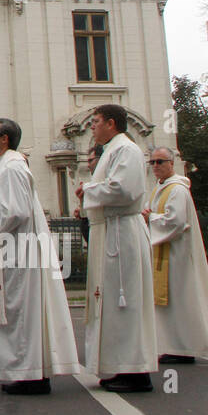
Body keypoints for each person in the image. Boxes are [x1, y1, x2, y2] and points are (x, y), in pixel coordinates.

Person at [0, 119, 80, 394]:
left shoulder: (11, 167)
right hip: (15, 247)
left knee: (20, 310)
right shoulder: (9, 165)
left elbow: (17, 211)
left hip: (17, 251)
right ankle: (31, 371)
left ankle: (28, 374)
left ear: (5, 138)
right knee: (19, 309)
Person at [74, 104, 156, 393]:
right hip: (110, 232)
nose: (92, 126)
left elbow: (124, 190)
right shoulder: (112, 150)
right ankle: (116, 366)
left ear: (111, 123)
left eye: (95, 121)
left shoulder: (127, 150)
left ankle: (135, 371)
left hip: (122, 234)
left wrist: (88, 190)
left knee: (126, 302)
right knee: (109, 302)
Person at [142, 147, 208, 363]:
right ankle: (172, 346)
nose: (155, 166)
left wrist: (150, 218)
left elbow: (176, 222)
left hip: (177, 256)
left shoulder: (177, 190)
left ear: (172, 163)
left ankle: (185, 348)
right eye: (152, 162)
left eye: (160, 162)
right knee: (169, 304)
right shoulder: (158, 189)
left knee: (181, 301)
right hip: (163, 253)